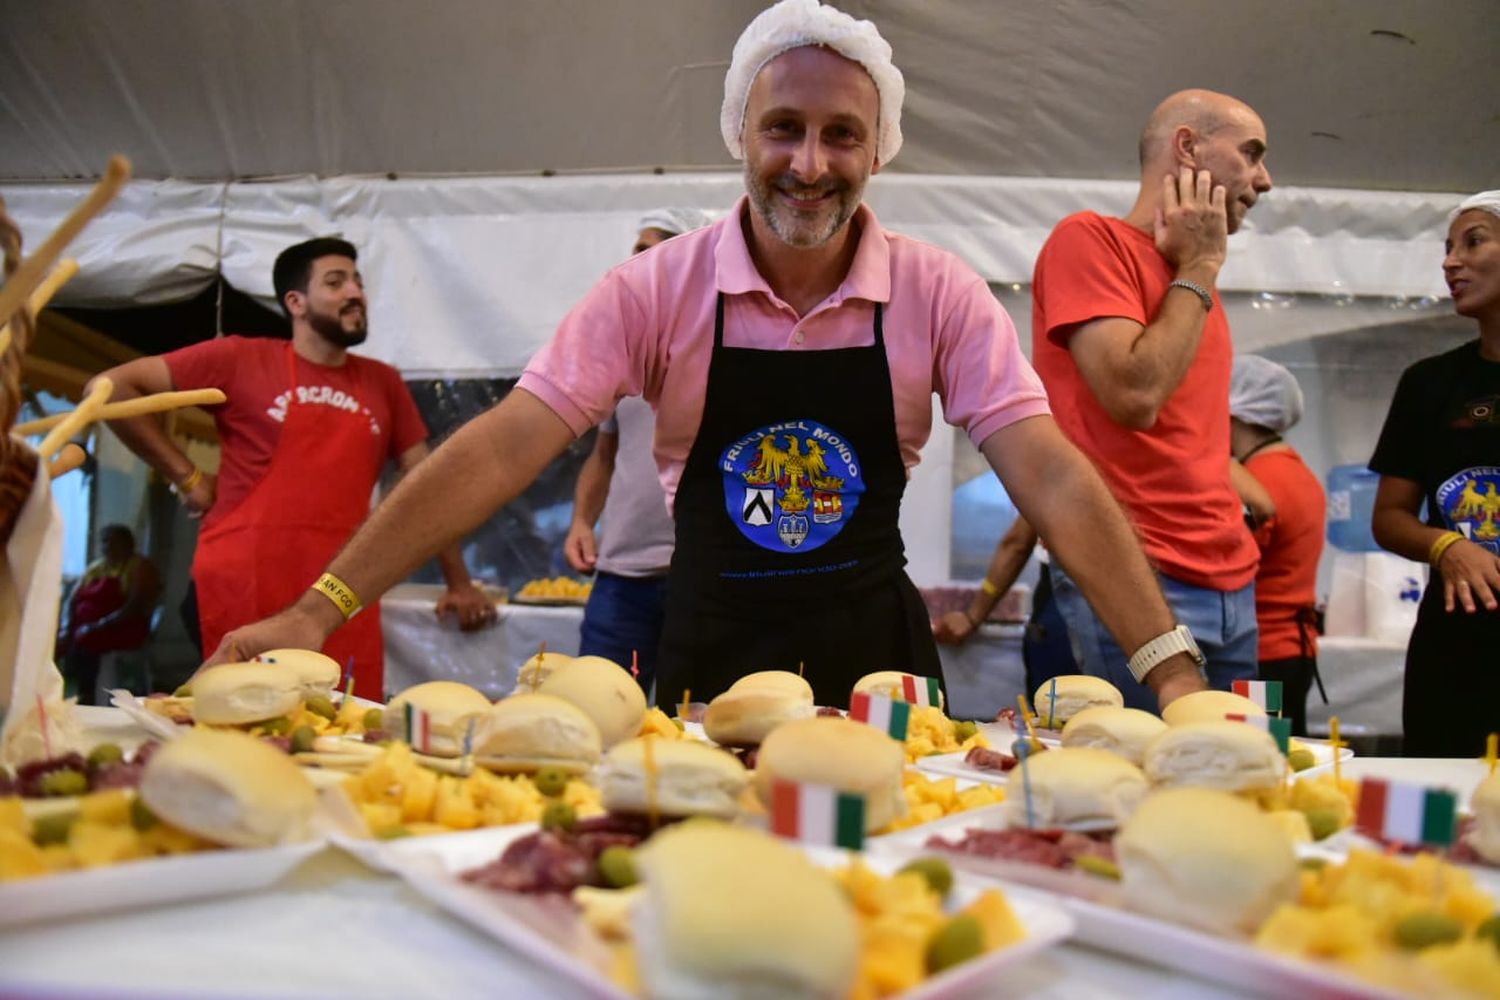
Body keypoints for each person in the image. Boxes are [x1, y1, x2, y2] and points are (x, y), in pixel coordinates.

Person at [203, 0, 1208, 713]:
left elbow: (1052, 477)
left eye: (840, 136)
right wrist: (318, 607)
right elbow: (507, 445)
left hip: (879, 670)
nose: (810, 165)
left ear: (877, 148)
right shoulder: (655, 290)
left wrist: (1171, 668)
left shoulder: (937, 289)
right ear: (740, 132)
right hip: (709, 652)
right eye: (784, 128)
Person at [93, 238, 495, 699]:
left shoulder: (383, 382)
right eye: (336, 282)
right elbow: (111, 388)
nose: (355, 293)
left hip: (344, 586)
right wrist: (188, 477)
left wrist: (459, 583)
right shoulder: (239, 358)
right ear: (295, 302)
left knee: (346, 723)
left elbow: (429, 487)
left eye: (358, 282)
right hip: (247, 578)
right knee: (244, 717)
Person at [1031, 88, 1273, 712]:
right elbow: (1133, 394)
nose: (1264, 180)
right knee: (1147, 783)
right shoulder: (1090, 240)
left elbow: (1190, 438)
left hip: (1232, 582)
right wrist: (1203, 263)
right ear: (1187, 147)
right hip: (1139, 576)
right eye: (1251, 154)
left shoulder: (1194, 282)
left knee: (1237, 782)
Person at [1370, 190, 1500, 757]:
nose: (1450, 261)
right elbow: (1390, 518)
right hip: (1454, 654)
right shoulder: (1429, 384)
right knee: (1436, 817)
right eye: (1448, 248)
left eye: (1474, 242)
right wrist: (1447, 545)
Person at [564, 208, 712, 694]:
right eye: (637, 250)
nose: (639, 262)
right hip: (621, 577)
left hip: (703, 577)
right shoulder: (619, 353)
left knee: (695, 728)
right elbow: (604, 454)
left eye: (656, 251)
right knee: (598, 712)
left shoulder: (727, 349)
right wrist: (582, 521)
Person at [1230, 355, 1325, 736]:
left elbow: (1233, 566)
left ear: (1233, 412)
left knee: (1258, 760)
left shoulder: (1254, 483)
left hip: (1261, 657)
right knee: (1281, 757)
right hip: (1295, 651)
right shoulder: (1299, 472)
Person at [931, 516, 1079, 693]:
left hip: (1064, 599)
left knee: (1055, 710)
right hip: (1099, 594)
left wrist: (973, 616)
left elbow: (1017, 544)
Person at [55, 524, 160, 705]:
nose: (107, 547)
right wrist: (66, 627)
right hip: (87, 627)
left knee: (86, 641)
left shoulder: (140, 568)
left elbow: (132, 607)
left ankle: (87, 695)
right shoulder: (97, 567)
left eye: (114, 542)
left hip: (121, 628)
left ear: (128, 544)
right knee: (59, 642)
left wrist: (98, 625)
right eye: (104, 542)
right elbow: (72, 600)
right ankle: (64, 693)